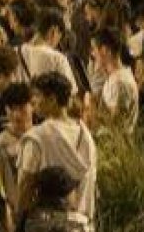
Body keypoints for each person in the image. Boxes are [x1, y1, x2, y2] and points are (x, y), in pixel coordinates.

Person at [17, 72, 96, 224]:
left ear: (52, 99)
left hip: (48, 224)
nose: (33, 101)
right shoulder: (86, 134)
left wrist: (18, 222)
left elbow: (25, 186)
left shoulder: (37, 138)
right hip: (82, 222)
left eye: (38, 96)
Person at [0, 83, 32, 225]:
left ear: (32, 105)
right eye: (11, 109)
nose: (16, 115)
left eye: (21, 108)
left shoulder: (41, 139)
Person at [90, 28, 139, 133]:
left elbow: (116, 123)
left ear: (105, 50)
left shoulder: (120, 82)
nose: (93, 54)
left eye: (94, 49)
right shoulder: (115, 77)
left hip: (113, 146)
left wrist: (90, 105)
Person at [16, 167, 92, 232]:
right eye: (73, 189)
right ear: (63, 198)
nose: (76, 194)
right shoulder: (78, 224)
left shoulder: (29, 219)